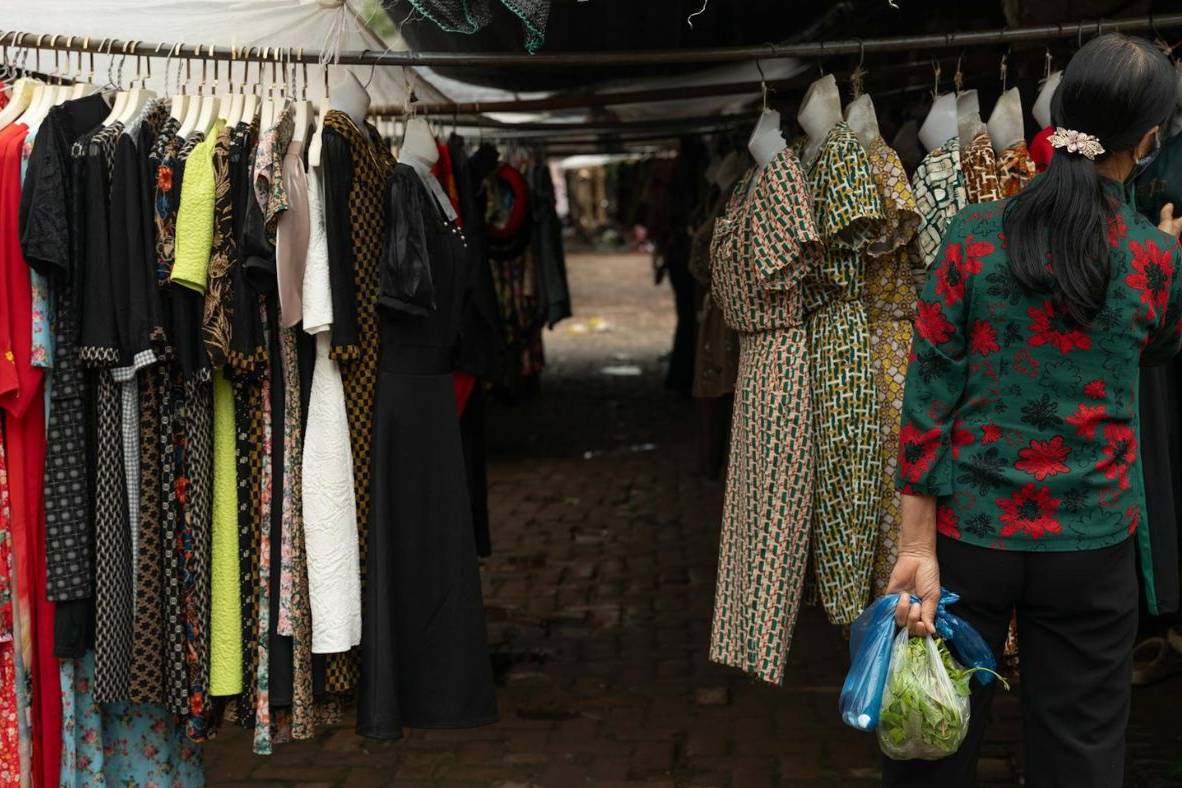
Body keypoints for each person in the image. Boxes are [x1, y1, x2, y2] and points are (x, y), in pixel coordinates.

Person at [884, 33, 1182, 787]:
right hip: (1091, 545)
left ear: (1060, 110)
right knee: (1079, 757)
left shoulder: (972, 239)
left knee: (932, 740)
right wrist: (1165, 251)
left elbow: (929, 395)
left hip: (969, 537)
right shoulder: (1153, 259)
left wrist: (915, 547)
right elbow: (1154, 346)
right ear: (1149, 140)